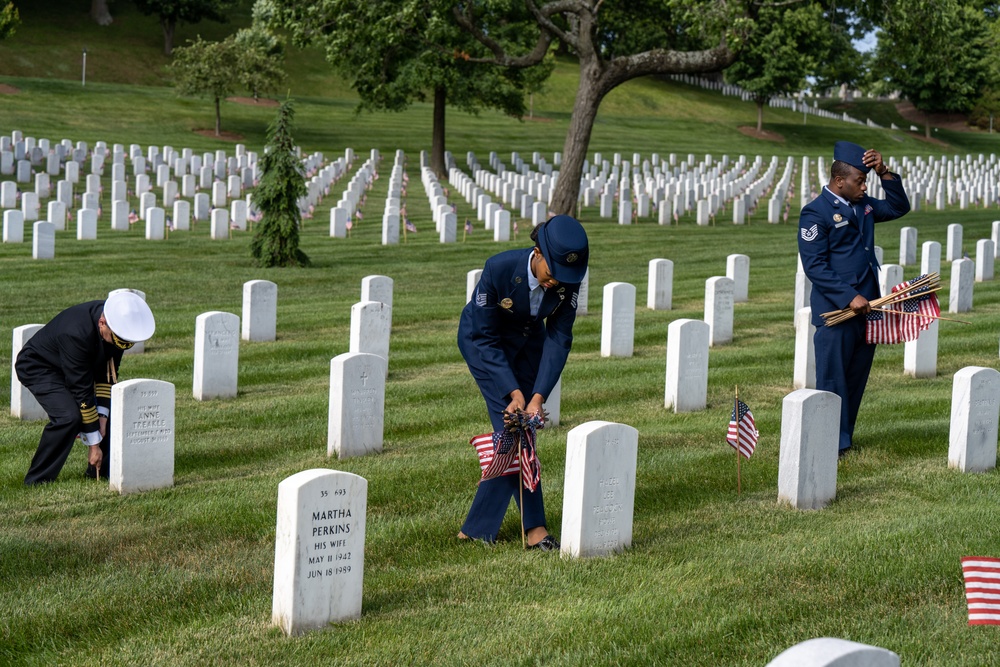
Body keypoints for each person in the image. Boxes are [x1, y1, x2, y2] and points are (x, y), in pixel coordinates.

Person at [457, 214, 589, 550]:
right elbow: (484, 338)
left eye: (563, 278)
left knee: (520, 427)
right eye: (551, 274)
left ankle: (479, 529)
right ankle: (533, 530)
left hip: (529, 343)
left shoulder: (565, 281)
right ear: (539, 253)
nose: (555, 283)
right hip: (484, 344)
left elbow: (559, 339)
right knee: (512, 426)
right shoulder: (498, 269)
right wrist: (513, 393)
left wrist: (537, 397)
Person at [797, 141, 910, 456]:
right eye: (860, 181)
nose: (864, 187)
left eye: (866, 181)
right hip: (838, 310)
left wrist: (883, 172)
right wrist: (849, 297)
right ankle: (830, 441)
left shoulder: (862, 204)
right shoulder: (815, 213)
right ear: (839, 182)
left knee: (856, 376)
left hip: (869, 308)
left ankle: (843, 438)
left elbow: (899, 207)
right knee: (834, 379)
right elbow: (815, 267)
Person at [16, 291, 156, 484]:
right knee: (68, 417)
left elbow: (107, 376)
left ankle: (100, 470)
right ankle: (37, 480)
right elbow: (82, 391)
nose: (119, 348)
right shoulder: (75, 333)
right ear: (102, 323)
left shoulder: (117, 324)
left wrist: (103, 417)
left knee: (114, 412)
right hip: (40, 367)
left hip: (76, 366)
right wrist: (93, 443)